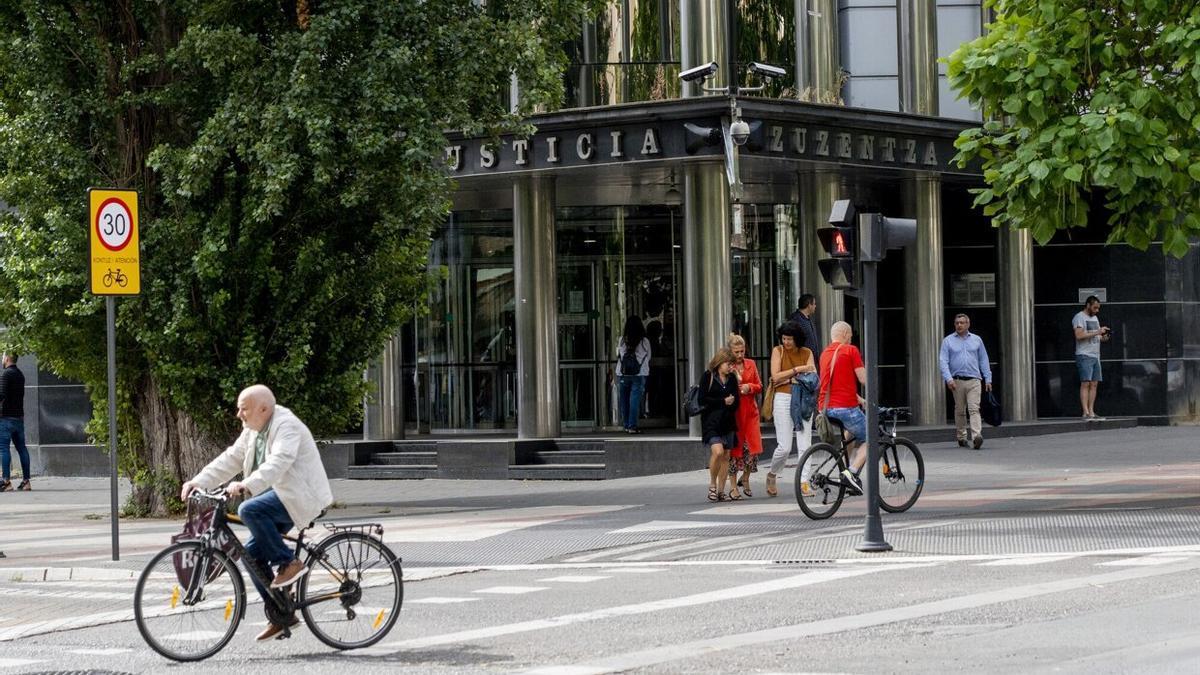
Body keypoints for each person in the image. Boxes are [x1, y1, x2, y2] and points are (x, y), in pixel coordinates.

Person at [181, 384, 334, 642]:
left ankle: (289, 563)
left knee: (249, 509)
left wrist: (247, 485)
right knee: (250, 556)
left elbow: (280, 460)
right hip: (282, 493)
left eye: (244, 409)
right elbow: (231, 458)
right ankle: (281, 614)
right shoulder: (253, 430)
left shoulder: (286, 425)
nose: (239, 414)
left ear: (263, 409)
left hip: (300, 495)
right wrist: (199, 481)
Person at [764, 322, 816, 497]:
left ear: (797, 339)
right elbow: (775, 377)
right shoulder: (777, 351)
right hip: (783, 399)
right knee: (784, 447)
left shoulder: (807, 352)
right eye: (784, 338)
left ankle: (804, 482)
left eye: (790, 339)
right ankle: (772, 473)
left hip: (803, 399)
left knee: (804, 443)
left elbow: (812, 377)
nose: (786, 342)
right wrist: (798, 370)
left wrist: (788, 378)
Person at [816, 321, 868, 493]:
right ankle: (851, 472)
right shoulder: (851, 350)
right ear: (845, 333)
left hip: (826, 408)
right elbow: (863, 379)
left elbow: (837, 383)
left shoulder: (825, 354)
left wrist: (859, 399)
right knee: (874, 437)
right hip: (845, 408)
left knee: (851, 431)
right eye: (851, 335)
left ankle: (844, 470)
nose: (851, 338)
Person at [939, 314, 993, 449]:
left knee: (974, 409)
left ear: (968, 324)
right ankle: (961, 437)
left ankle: (976, 437)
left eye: (962, 323)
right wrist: (948, 378)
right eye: (957, 323)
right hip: (957, 381)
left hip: (974, 380)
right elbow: (943, 361)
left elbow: (983, 359)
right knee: (960, 411)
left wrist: (988, 378)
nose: (959, 325)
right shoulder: (948, 341)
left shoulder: (977, 340)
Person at [699, 347, 740, 502]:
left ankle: (722, 490)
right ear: (720, 362)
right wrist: (722, 401)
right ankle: (712, 485)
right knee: (717, 452)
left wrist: (731, 403)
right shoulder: (708, 377)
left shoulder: (732, 379)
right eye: (728, 364)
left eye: (731, 365)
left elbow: (737, 401)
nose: (730, 367)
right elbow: (702, 400)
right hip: (711, 422)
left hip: (728, 421)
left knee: (726, 455)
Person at [727, 334, 763, 497]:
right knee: (735, 450)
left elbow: (759, 385)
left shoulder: (751, 364)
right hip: (734, 413)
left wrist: (749, 387)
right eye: (736, 352)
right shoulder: (727, 367)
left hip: (751, 412)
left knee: (753, 448)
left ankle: (746, 477)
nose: (740, 355)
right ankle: (733, 486)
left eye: (742, 351)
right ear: (730, 351)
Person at [1072, 296, 1110, 421]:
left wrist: (1103, 337)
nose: (1097, 310)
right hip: (1084, 354)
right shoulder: (1079, 317)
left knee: (1094, 384)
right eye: (1095, 307)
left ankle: (1091, 411)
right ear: (1088, 305)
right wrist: (1097, 332)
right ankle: (1085, 412)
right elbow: (1079, 335)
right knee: (1085, 383)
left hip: (1095, 354)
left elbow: (1096, 336)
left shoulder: (1095, 318)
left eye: (1098, 308)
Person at [0, 353, 30, 492]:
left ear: (6, 358)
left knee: (3, 448)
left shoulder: (6, 374)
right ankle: (26, 482)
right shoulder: (20, 374)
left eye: (2, 356)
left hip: (6, 418)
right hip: (19, 418)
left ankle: (6, 482)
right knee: (22, 449)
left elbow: (1, 395)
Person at [616, 315, 651, 433]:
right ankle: (632, 426)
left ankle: (626, 425)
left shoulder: (622, 340)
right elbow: (648, 357)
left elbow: (619, 355)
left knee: (624, 400)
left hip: (622, 373)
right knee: (634, 400)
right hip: (639, 374)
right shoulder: (644, 341)